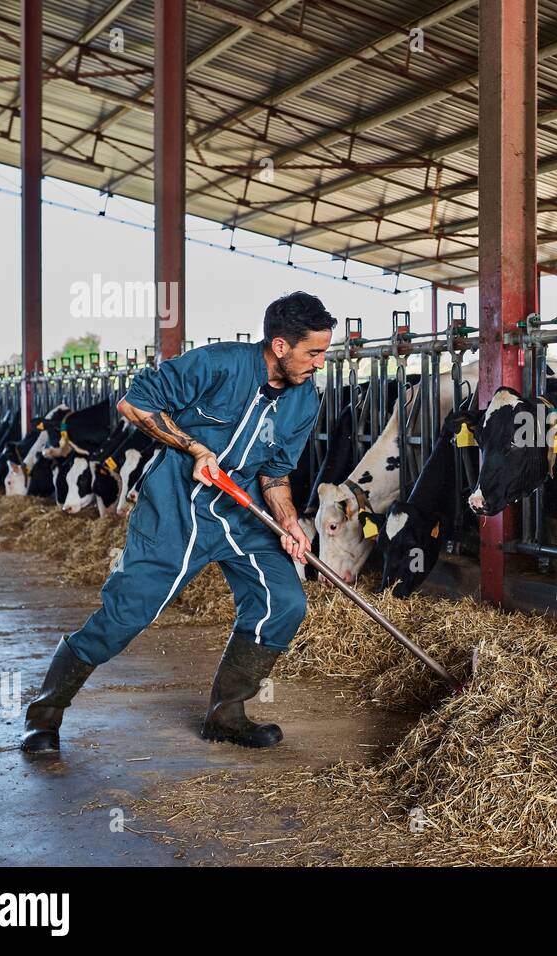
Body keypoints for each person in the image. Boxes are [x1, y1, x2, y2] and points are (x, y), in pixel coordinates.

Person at [21, 292, 336, 753]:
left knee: (283, 601)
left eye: (325, 352)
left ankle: (227, 715)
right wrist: (195, 449)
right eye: (314, 352)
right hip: (175, 505)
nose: (321, 363)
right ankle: (44, 715)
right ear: (281, 346)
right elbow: (135, 403)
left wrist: (289, 521)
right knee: (125, 614)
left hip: (241, 511)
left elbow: (276, 473)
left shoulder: (304, 399)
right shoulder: (218, 364)